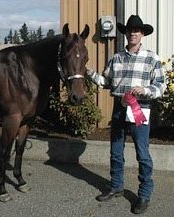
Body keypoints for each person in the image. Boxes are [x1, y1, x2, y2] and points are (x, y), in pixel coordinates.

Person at [87, 15, 166, 214]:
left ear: (142, 34)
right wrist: (88, 73)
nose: (133, 33)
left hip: (140, 110)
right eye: (130, 30)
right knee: (115, 151)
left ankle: (144, 194)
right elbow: (107, 82)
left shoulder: (152, 58)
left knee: (142, 153)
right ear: (126, 33)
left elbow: (161, 85)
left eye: (137, 30)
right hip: (120, 108)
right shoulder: (116, 58)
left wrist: (146, 90)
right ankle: (116, 186)